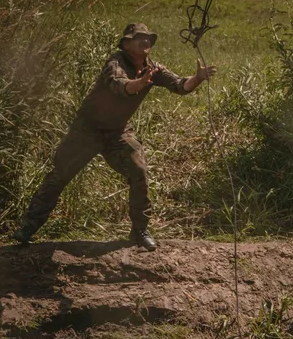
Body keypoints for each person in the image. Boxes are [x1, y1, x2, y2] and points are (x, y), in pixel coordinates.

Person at [11, 23, 217, 251]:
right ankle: (28, 228)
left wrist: (197, 79)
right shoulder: (115, 63)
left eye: (148, 37)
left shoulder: (153, 68)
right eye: (139, 38)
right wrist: (140, 83)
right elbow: (121, 86)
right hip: (87, 130)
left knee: (138, 171)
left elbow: (179, 85)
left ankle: (140, 231)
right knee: (59, 176)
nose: (146, 41)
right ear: (127, 43)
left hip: (118, 131)